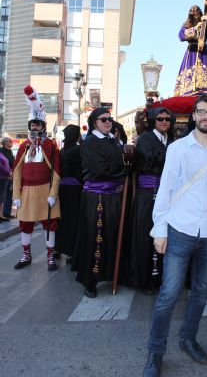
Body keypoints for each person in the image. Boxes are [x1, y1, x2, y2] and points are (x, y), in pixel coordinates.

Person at [143, 94, 207, 377]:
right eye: (201, 111)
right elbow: (164, 190)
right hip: (179, 228)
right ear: (194, 115)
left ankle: (188, 338)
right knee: (168, 294)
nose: (206, 116)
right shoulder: (177, 148)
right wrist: (159, 229)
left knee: (200, 292)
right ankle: (155, 351)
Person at [72, 107, 127, 298]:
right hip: (97, 198)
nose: (107, 122)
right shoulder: (90, 142)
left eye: (110, 119)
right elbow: (99, 169)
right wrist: (123, 171)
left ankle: (110, 273)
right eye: (103, 119)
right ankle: (90, 280)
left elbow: (122, 162)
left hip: (114, 196)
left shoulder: (113, 140)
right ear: (95, 122)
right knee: (95, 237)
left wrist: (125, 165)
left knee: (111, 235)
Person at [13, 85, 61, 271]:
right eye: (32, 124)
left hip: (45, 191)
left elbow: (56, 171)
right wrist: (16, 195)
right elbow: (16, 172)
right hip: (26, 192)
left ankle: (50, 257)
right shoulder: (24, 146)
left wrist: (53, 193)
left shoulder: (50, 145)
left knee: (50, 224)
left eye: (38, 124)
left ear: (43, 126)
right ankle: (26, 254)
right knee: (25, 224)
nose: (35, 127)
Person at [131, 107, 174, 294]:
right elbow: (151, 161)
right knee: (147, 235)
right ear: (152, 121)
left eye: (167, 119)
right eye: (160, 119)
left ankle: (161, 278)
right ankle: (146, 279)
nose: (164, 121)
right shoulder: (146, 139)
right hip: (149, 193)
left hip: (167, 194)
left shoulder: (170, 140)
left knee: (166, 235)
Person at [174, 5, 207, 96]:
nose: (196, 16)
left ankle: (206, 88)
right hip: (191, 51)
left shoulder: (205, 22)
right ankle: (188, 88)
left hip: (203, 51)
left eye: (197, 14)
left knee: (205, 70)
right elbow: (181, 35)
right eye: (193, 14)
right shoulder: (187, 24)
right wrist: (195, 29)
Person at [55, 124, 83, 264]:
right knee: (73, 220)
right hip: (75, 190)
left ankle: (58, 248)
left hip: (62, 189)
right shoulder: (78, 150)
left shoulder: (62, 151)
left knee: (61, 219)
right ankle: (71, 252)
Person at [0, 137, 15, 219]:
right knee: (2, 196)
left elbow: (12, 162)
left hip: (10, 175)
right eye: (10, 141)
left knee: (9, 194)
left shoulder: (10, 151)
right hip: (4, 176)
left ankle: (6, 213)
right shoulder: (1, 151)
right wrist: (8, 173)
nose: (12, 143)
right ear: (5, 142)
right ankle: (2, 214)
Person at [0, 151, 11, 222]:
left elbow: (7, 163)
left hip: (4, 178)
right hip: (1, 178)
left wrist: (10, 171)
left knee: (1, 199)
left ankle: (1, 215)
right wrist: (8, 173)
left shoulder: (1, 153)